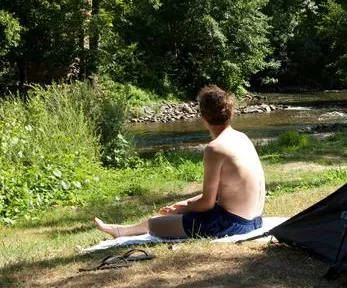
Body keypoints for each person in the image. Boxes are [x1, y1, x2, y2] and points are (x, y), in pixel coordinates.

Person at [94, 85, 265, 239]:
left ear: (203, 116)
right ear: (230, 112)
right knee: (172, 215)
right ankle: (122, 230)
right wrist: (185, 204)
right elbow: (224, 192)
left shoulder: (215, 148)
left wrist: (183, 209)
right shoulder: (242, 138)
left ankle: (122, 232)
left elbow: (207, 203)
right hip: (255, 220)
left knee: (155, 225)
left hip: (231, 224)